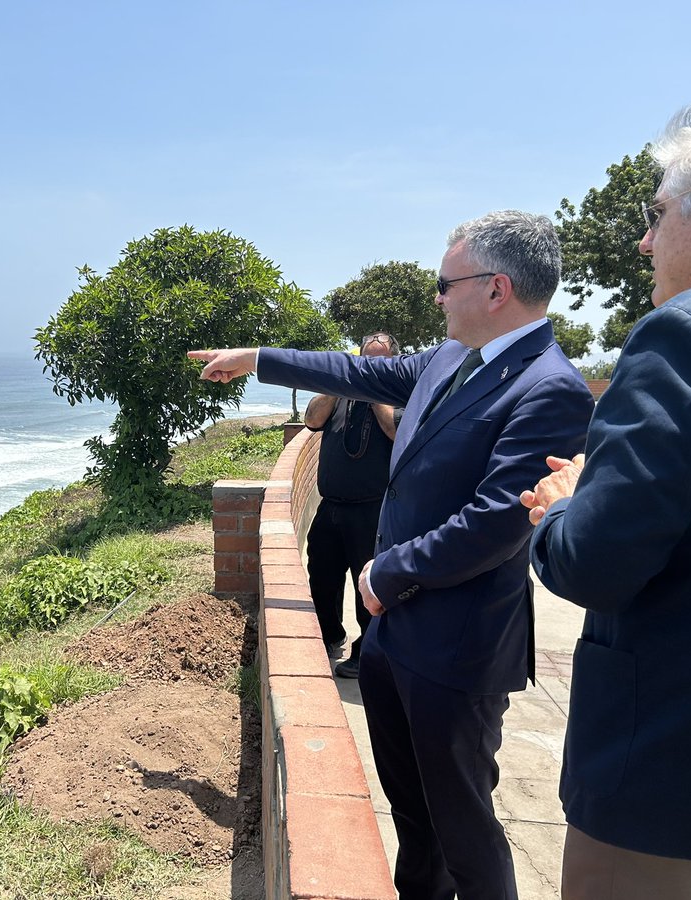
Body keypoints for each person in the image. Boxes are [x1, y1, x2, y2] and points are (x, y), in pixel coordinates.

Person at [190, 210, 594, 900]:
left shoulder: (549, 387)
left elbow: (498, 521)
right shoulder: (446, 360)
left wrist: (385, 573)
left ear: (496, 289)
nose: (436, 296)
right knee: (415, 823)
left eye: (446, 282)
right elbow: (352, 369)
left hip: (457, 652)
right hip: (393, 638)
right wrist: (258, 359)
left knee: (463, 829)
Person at [521, 95, 691, 899]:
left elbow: (595, 562)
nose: (644, 239)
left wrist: (565, 500)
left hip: (686, 796)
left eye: (659, 212)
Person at [303, 331, 400, 679]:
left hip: (371, 510)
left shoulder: (400, 394)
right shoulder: (342, 392)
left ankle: (367, 653)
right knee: (322, 578)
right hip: (331, 506)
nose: (370, 365)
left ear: (393, 362)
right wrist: (338, 383)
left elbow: (394, 431)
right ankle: (329, 637)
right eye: (365, 359)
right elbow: (312, 420)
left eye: (379, 360)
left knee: (368, 585)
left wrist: (374, 389)